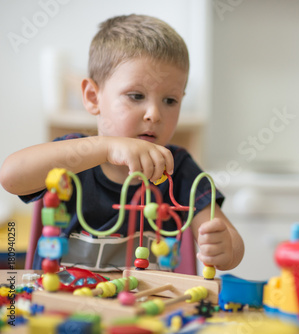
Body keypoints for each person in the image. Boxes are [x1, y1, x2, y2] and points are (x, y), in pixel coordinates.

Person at [0, 14, 244, 272]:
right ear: (93, 97)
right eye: (136, 96)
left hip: (150, 311)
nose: (154, 114)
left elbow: (232, 245)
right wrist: (106, 148)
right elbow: (11, 176)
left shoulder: (179, 168)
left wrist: (224, 247)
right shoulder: (73, 157)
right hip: (64, 309)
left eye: (170, 101)